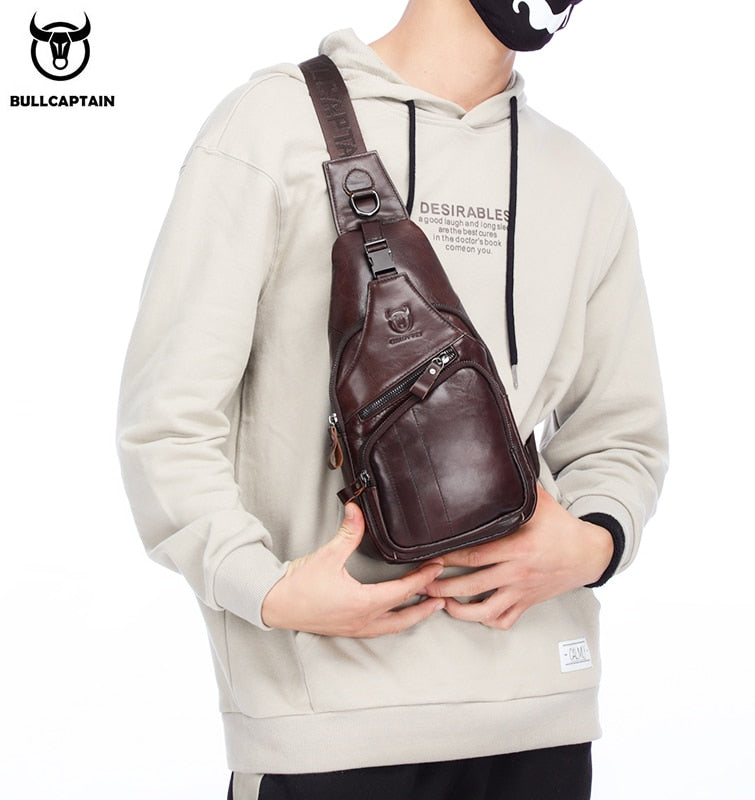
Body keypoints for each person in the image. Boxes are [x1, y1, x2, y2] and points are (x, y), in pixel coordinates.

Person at [117, 1, 668, 797]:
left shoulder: (584, 183)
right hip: (326, 729)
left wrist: (594, 545)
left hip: (540, 719)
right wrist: (264, 588)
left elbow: (622, 431)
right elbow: (165, 420)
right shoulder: (269, 130)